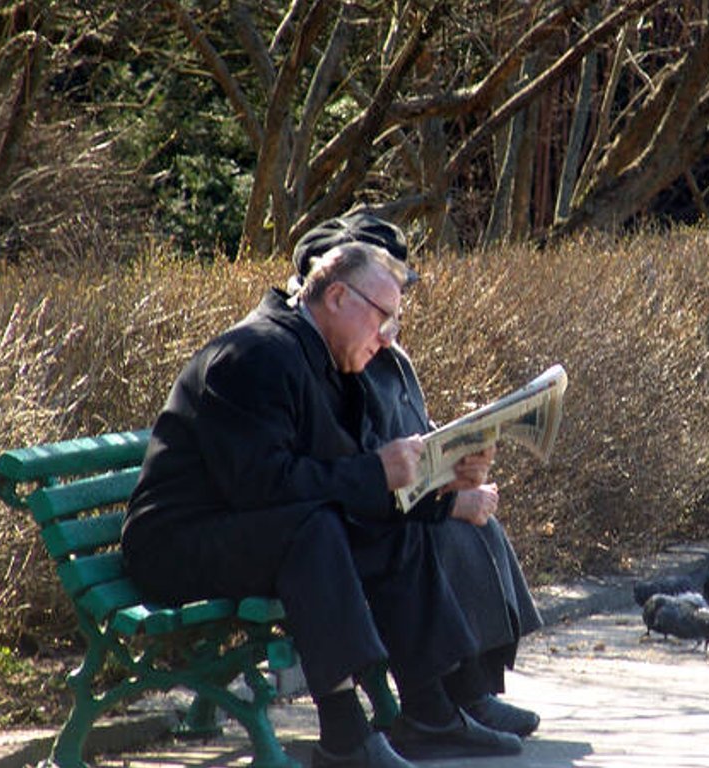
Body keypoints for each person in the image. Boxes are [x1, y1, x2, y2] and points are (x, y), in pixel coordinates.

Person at [121, 241, 525, 768]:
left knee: (380, 528)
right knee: (314, 529)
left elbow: (345, 482)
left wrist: (441, 488)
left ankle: (428, 711)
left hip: (253, 533)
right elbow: (260, 487)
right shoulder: (256, 354)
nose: (387, 338)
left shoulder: (328, 359)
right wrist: (377, 470)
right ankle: (344, 737)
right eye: (383, 317)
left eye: (394, 324)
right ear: (336, 296)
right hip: (176, 546)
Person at [288, 210, 544, 736]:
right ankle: (456, 693)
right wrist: (448, 499)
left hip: (394, 496)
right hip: (360, 515)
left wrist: (462, 463)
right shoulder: (330, 354)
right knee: (440, 530)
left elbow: (415, 434)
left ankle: (474, 689)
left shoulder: (385, 350)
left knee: (478, 522)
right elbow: (360, 458)